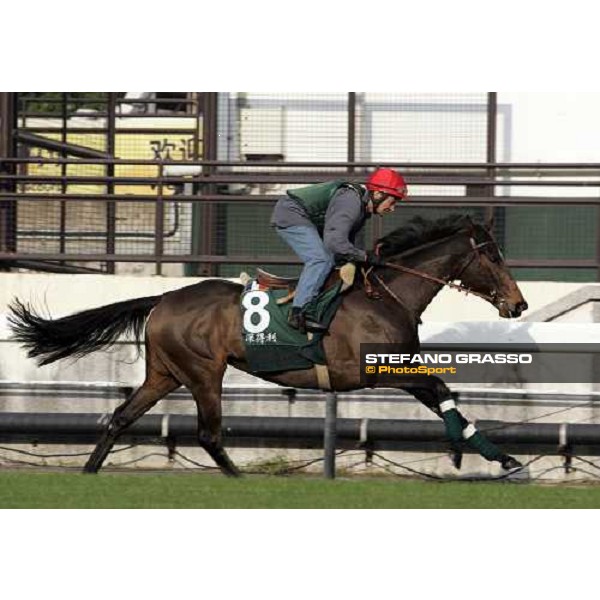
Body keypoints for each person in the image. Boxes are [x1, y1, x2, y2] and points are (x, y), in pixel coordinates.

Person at [270, 167, 408, 333]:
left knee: (336, 261)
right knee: (321, 259)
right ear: (378, 194)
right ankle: (299, 312)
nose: (392, 208)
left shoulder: (362, 210)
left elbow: (344, 248)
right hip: (292, 213)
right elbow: (335, 243)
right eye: (393, 202)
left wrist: (360, 258)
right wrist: (364, 256)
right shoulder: (351, 202)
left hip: (308, 218)